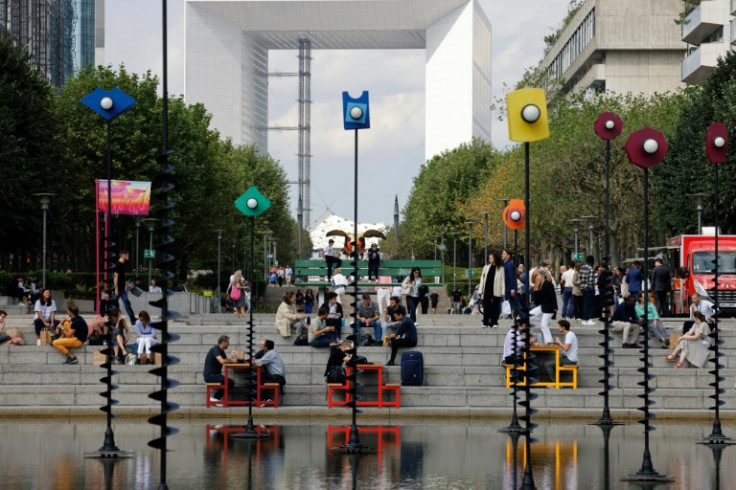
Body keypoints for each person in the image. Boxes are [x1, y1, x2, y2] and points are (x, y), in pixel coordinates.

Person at [203, 335, 237, 405]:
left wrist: (232, 358)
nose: (229, 344)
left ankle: (216, 398)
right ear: (223, 342)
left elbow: (226, 360)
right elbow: (222, 361)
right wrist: (232, 361)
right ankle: (215, 398)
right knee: (230, 382)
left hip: (215, 375)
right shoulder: (215, 349)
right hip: (210, 376)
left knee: (230, 382)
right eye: (228, 342)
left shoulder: (221, 351)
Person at [478, 252, 505, 327]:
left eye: (491, 258)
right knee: (486, 306)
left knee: (495, 306)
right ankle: (485, 322)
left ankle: (494, 322)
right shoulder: (486, 267)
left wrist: (503, 291)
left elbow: (503, 280)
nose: (489, 259)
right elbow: (482, 279)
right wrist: (480, 290)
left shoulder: (501, 268)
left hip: (496, 290)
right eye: (489, 258)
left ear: (495, 259)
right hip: (487, 289)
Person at [114, 250, 136, 325]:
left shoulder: (121, 265)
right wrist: (116, 288)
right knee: (113, 304)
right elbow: (115, 277)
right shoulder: (118, 264)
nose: (128, 257)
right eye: (127, 255)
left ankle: (133, 319)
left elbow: (121, 278)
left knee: (126, 302)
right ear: (123, 255)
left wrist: (128, 284)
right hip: (118, 289)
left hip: (122, 289)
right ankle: (110, 318)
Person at [537, 269, 558, 344]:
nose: (537, 276)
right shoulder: (541, 284)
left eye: (538, 275)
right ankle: (548, 341)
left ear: (542, 276)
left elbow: (553, 296)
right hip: (544, 307)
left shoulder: (548, 284)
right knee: (543, 324)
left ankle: (549, 341)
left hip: (549, 307)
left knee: (543, 324)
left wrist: (555, 307)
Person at [580, 256, 596, 325]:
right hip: (588, 288)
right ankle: (587, 319)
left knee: (584, 304)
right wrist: (592, 288)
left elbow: (580, 277)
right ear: (592, 261)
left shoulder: (582, 267)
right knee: (589, 304)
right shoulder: (591, 269)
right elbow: (590, 281)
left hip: (582, 287)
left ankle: (584, 319)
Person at [501, 249, 518, 314]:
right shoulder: (506, 264)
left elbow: (511, 277)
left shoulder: (509, 265)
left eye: (504, 254)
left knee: (514, 303)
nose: (502, 255)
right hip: (507, 287)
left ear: (508, 256)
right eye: (502, 253)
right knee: (512, 303)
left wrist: (512, 289)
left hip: (509, 288)